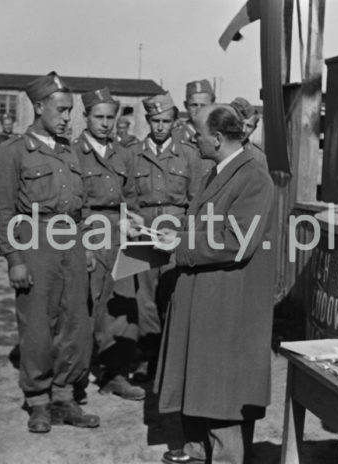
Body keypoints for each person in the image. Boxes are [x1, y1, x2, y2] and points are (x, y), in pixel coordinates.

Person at [148, 104, 275, 464]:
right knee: (204, 386)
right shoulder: (220, 171)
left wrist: (180, 246)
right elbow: (208, 227)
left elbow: (237, 241)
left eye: (197, 132)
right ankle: (197, 451)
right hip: (208, 299)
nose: (192, 137)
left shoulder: (253, 177)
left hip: (228, 305)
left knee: (222, 395)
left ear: (217, 138)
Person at [0, 71, 99, 433]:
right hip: (34, 239)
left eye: (70, 111)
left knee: (76, 325)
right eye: (61, 110)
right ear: (38, 108)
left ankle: (65, 395)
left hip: (72, 240)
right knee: (37, 327)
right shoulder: (13, 151)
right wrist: (14, 258)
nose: (68, 117)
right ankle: (38, 400)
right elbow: (3, 210)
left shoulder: (70, 150)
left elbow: (81, 208)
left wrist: (88, 246)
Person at [125, 92, 202, 382]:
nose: (160, 127)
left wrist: (185, 234)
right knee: (144, 299)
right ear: (147, 121)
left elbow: (195, 201)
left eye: (166, 121)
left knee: (172, 295)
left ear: (175, 121)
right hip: (143, 231)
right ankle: (149, 356)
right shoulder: (132, 154)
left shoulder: (189, 154)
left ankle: (172, 359)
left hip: (174, 232)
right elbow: (127, 197)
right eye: (155, 121)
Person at [72, 88, 143, 400]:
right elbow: (70, 205)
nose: (104, 123)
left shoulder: (122, 152)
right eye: (97, 117)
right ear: (85, 117)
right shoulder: (73, 153)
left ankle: (113, 373)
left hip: (119, 237)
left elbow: (130, 196)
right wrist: (81, 243)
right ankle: (75, 376)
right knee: (83, 308)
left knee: (119, 310)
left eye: (109, 118)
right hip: (87, 235)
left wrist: (130, 220)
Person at [229, 97, 268, 170]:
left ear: (254, 129)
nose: (243, 130)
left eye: (249, 126)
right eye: (240, 123)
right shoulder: (211, 148)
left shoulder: (258, 157)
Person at [172, 79, 215, 144]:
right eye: (194, 105)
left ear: (212, 105)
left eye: (203, 105)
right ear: (186, 105)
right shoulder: (174, 136)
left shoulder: (219, 135)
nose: (198, 110)